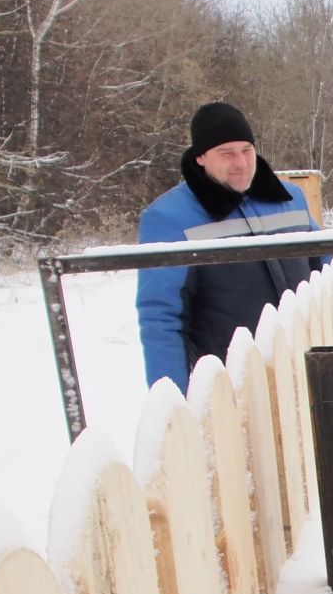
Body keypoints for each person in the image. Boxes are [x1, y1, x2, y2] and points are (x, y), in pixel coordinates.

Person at [136, 101, 320, 390]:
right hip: (232, 384)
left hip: (307, 365)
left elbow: (328, 265)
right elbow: (161, 317)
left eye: (247, 150)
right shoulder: (169, 218)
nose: (241, 163)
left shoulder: (289, 198)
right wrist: (175, 405)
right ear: (200, 157)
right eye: (227, 154)